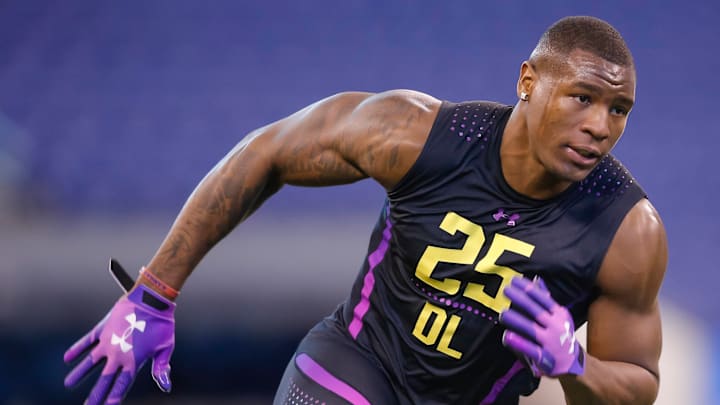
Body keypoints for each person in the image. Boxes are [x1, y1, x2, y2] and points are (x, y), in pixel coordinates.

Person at [63, 15, 667, 405]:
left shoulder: (627, 232)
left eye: (619, 110)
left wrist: (575, 365)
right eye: (583, 98)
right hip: (357, 364)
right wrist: (155, 291)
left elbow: (637, 384)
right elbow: (267, 151)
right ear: (528, 81)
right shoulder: (418, 136)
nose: (599, 126)